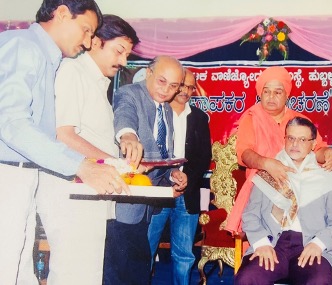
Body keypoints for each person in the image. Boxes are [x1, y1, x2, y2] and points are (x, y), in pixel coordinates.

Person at [0, 1, 132, 284]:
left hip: (23, 175)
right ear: (61, 13)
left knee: (20, 273)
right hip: (7, 173)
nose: (87, 42)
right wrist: (80, 164)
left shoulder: (49, 60)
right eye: (85, 31)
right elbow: (11, 123)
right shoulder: (24, 47)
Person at [35, 15, 142, 285]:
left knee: (88, 275)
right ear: (95, 41)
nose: (124, 62)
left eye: (127, 55)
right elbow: (64, 135)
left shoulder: (97, 83)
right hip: (71, 194)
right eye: (119, 51)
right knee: (75, 275)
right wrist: (118, 165)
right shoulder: (73, 72)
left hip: (89, 192)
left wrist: (120, 162)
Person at [103, 55, 188, 285]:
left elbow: (162, 155)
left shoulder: (167, 110)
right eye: (161, 81)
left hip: (147, 208)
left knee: (139, 271)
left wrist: (172, 174)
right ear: (148, 73)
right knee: (117, 274)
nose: (166, 90)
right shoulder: (129, 93)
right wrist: (128, 136)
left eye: (173, 86)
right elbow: (125, 116)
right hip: (122, 206)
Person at [235, 116, 332, 285]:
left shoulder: (327, 176)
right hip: (273, 244)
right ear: (285, 140)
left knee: (319, 281)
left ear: (313, 144)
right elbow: (250, 215)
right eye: (291, 138)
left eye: (302, 139)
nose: (295, 144)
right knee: (248, 279)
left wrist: (318, 244)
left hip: (310, 244)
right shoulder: (268, 172)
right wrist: (261, 243)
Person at [225, 66, 332, 233]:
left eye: (278, 92)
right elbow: (244, 154)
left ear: (287, 94)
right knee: (262, 246)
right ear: (260, 94)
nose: (271, 97)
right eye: (266, 91)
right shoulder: (251, 118)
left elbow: (317, 149)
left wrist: (328, 153)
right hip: (262, 190)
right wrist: (267, 164)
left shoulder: (299, 120)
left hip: (300, 190)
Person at [147, 68, 212, 285]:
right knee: (147, 249)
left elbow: (204, 157)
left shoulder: (200, 118)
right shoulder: (157, 113)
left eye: (191, 87)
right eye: (182, 85)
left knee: (184, 256)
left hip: (188, 195)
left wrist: (187, 182)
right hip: (158, 193)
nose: (185, 91)